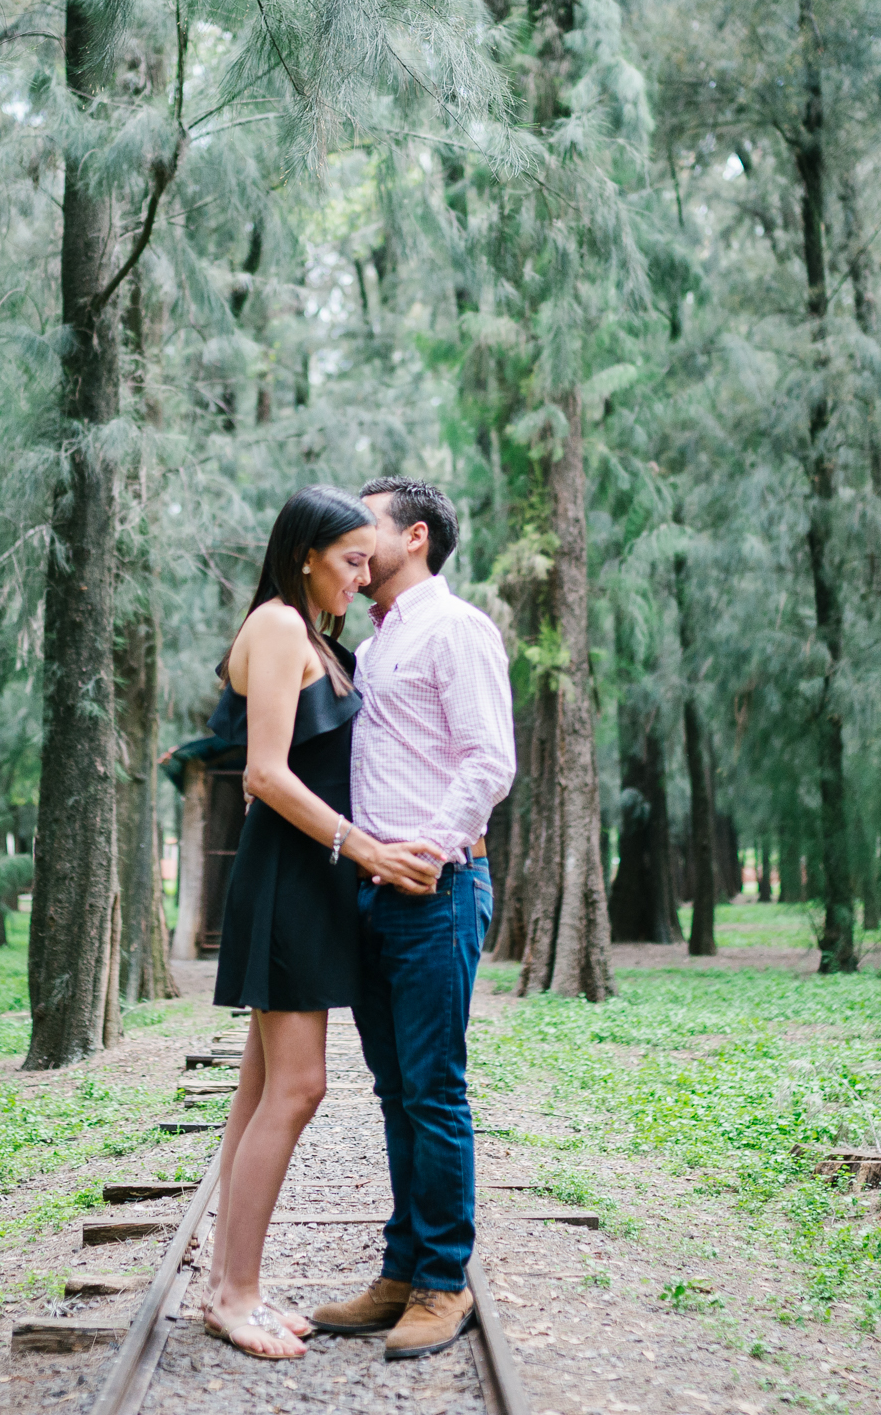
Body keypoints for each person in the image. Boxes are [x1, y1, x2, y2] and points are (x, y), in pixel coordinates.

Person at [202, 485, 444, 1361]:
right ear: (305, 553)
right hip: (289, 882)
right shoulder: (275, 625)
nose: (362, 573)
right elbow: (264, 773)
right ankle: (236, 1294)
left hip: (310, 879)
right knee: (298, 1089)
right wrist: (367, 849)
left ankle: (229, 1284)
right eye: (349, 560)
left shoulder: (314, 637)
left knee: (261, 1092)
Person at [309, 476, 515, 1360]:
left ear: (418, 537)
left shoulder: (455, 628)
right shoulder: (378, 639)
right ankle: (400, 1271)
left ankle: (442, 1284)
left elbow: (488, 762)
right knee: (396, 1092)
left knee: (434, 1090)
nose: (357, 539)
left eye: (372, 525)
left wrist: (422, 853)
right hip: (373, 894)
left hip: (435, 890)